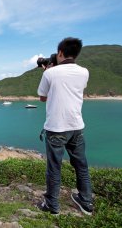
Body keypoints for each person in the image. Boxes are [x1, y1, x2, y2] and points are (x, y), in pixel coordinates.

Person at [36, 37, 93, 216]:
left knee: (54, 168)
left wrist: (48, 71)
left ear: (60, 52)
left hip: (56, 129)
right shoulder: (84, 72)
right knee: (81, 166)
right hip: (76, 126)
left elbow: (43, 97)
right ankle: (86, 202)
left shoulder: (50, 73)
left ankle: (52, 205)